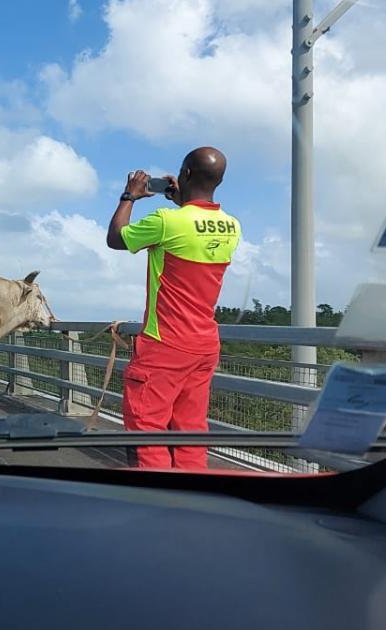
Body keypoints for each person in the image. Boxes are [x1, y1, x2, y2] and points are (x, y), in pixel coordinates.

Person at [105, 147, 241, 470]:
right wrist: (181, 198)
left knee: (146, 433)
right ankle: (193, 506)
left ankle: (157, 510)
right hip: (204, 345)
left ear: (186, 174)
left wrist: (130, 195)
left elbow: (115, 237)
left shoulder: (166, 221)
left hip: (164, 345)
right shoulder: (232, 227)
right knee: (191, 433)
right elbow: (195, 223)